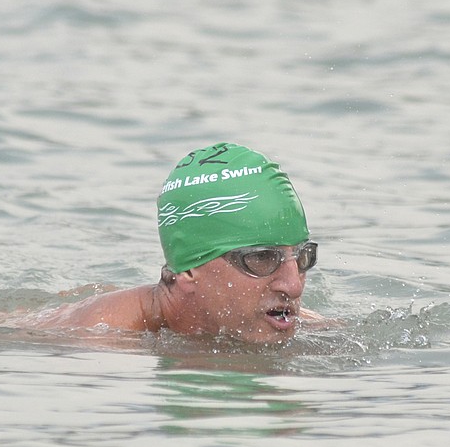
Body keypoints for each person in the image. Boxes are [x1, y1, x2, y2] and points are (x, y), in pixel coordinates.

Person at [26, 142, 322, 344]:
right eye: (261, 259)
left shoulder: (305, 323)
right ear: (190, 267)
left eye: (301, 257)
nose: (293, 285)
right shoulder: (97, 341)